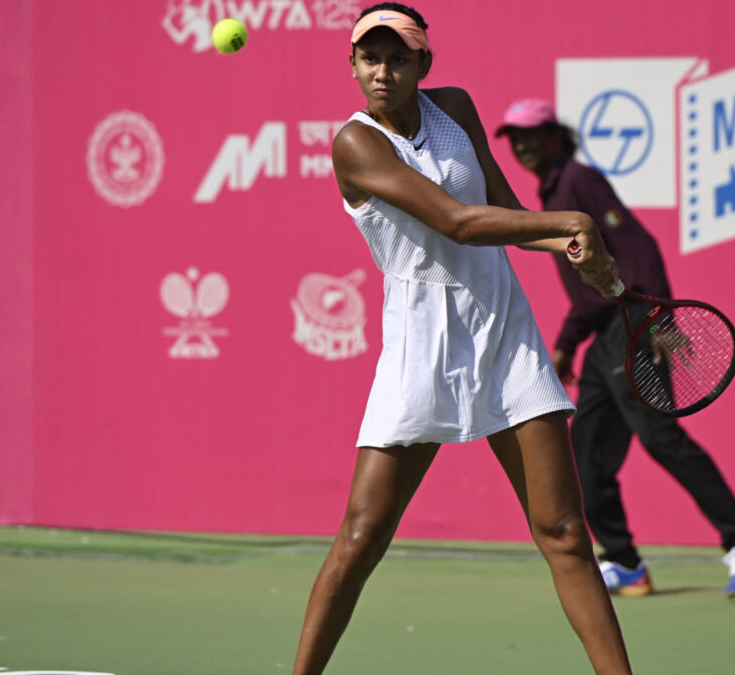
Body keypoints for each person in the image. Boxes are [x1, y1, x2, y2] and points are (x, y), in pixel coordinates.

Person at [291, 6, 632, 674]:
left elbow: (503, 210)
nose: (381, 71)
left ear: (424, 64)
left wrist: (571, 245)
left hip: (505, 330)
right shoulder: (354, 145)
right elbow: (456, 222)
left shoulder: (455, 109)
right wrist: (575, 219)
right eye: (369, 58)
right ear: (353, 64)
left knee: (564, 532)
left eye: (397, 58)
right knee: (361, 537)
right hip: (421, 346)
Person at [495, 98, 735, 599]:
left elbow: (639, 248)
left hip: (634, 331)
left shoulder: (579, 180)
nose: (524, 145)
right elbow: (590, 290)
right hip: (604, 341)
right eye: (516, 138)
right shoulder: (554, 190)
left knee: (661, 439)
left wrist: (661, 318)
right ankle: (625, 563)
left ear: (557, 134)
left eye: (534, 134)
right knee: (586, 455)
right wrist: (566, 345)